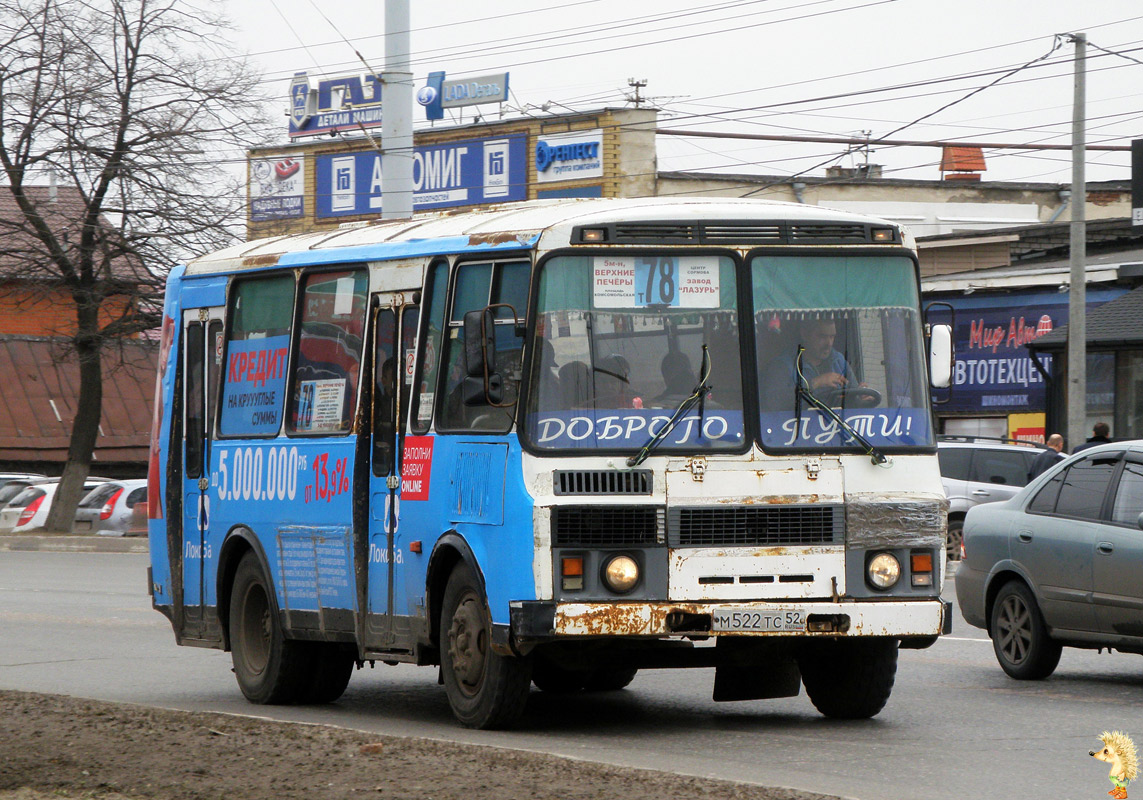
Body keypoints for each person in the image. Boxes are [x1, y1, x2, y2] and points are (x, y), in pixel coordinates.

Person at [761, 317, 863, 408]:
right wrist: (815, 383)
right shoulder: (783, 365)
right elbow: (773, 402)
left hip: (837, 425)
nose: (829, 343)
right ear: (805, 334)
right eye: (822, 337)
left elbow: (853, 395)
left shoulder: (839, 361)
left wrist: (861, 397)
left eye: (832, 337)